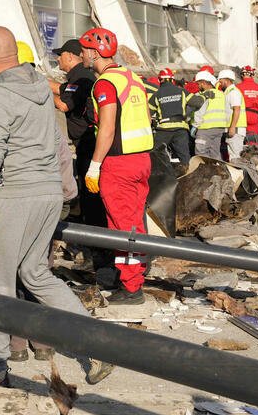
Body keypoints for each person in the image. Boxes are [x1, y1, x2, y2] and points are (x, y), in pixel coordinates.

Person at [0, 26, 112, 393]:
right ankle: (100, 345)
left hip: (14, 195)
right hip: (48, 194)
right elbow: (56, 142)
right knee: (35, 273)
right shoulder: (40, 85)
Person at [79, 27, 153, 304]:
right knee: (133, 222)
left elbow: (107, 128)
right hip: (141, 160)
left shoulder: (104, 84)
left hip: (119, 164)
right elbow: (146, 117)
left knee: (121, 226)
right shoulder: (132, 78)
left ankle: (132, 287)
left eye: (84, 50)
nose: (81, 55)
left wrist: (94, 166)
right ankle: (135, 275)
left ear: (95, 52)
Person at [51, 38, 105, 230]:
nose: (58, 59)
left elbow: (64, 104)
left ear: (70, 56)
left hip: (88, 142)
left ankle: (93, 233)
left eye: (61, 55)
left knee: (90, 192)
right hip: (85, 141)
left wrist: (41, 89)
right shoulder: (77, 76)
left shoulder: (81, 77)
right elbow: (62, 90)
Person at [148, 68, 192, 166]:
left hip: (164, 130)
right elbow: (197, 102)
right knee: (184, 157)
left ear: (160, 80)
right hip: (181, 129)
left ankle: (158, 173)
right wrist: (205, 96)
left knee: (154, 154)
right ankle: (187, 172)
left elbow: (148, 113)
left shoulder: (156, 94)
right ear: (172, 79)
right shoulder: (182, 91)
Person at [190, 70, 226, 160]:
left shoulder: (203, 95)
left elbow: (199, 112)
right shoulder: (221, 94)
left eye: (199, 84)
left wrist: (195, 126)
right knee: (214, 153)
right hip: (219, 128)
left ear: (203, 83)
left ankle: (205, 169)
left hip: (205, 128)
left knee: (201, 154)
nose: (198, 86)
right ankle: (217, 168)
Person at [217, 69, 247, 160]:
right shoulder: (228, 92)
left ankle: (238, 170)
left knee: (236, 157)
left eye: (221, 81)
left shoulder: (233, 92)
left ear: (226, 80)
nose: (220, 84)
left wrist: (232, 127)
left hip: (236, 129)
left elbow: (236, 109)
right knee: (233, 156)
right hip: (233, 128)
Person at [237, 65, 258, 138]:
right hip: (255, 116)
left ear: (242, 75)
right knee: (253, 139)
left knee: (239, 139)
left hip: (241, 116)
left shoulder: (237, 87)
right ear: (252, 75)